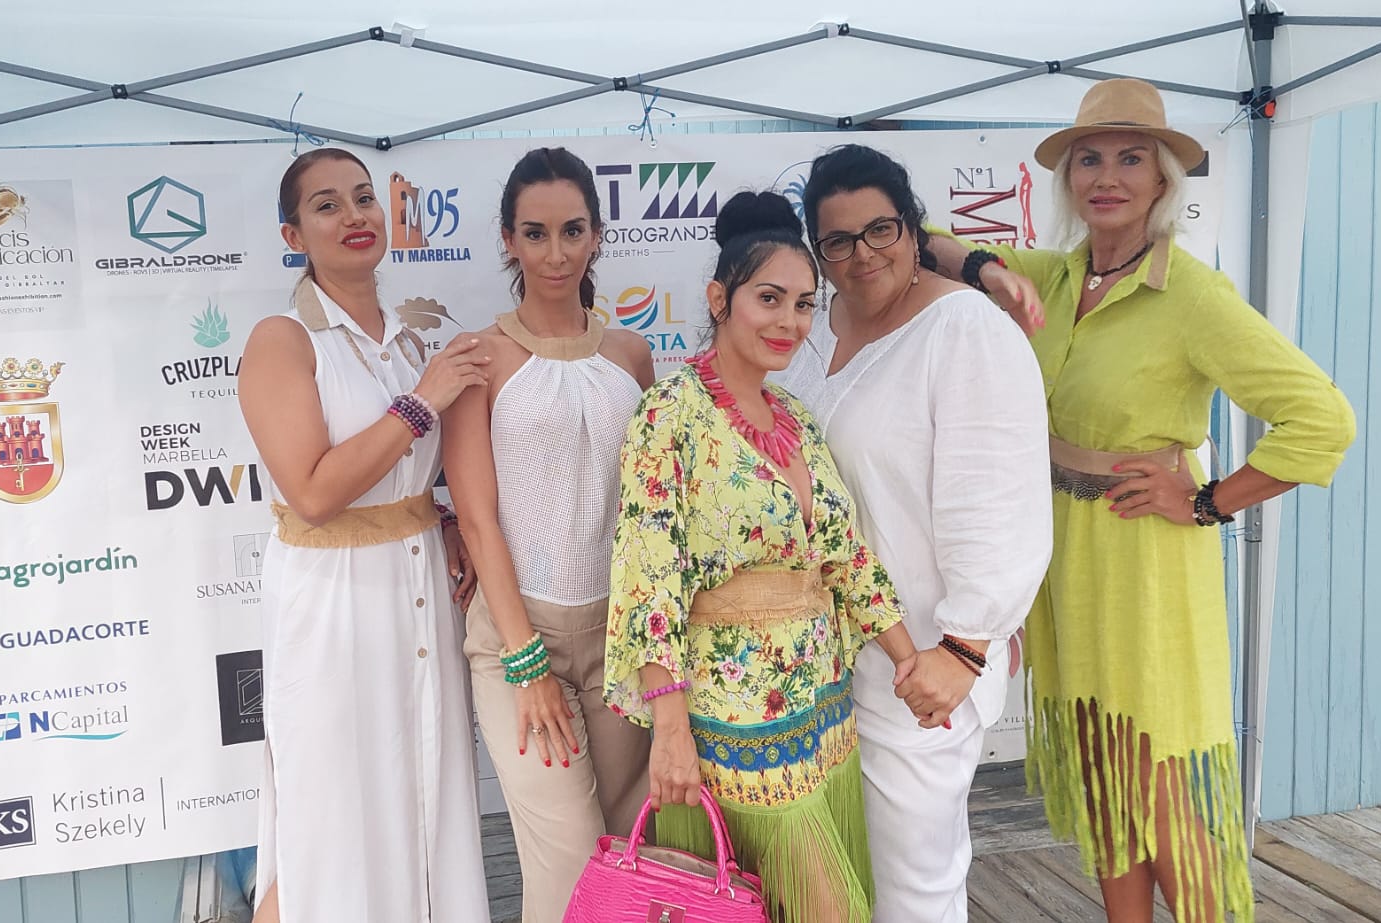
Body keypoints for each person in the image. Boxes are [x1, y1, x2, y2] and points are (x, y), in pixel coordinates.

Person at [921, 78, 1358, 923]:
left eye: (1131, 159)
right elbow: (921, 239)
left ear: (1163, 180)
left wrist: (1207, 501)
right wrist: (985, 267)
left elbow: (1323, 418)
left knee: (1164, 792)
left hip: (1148, 567)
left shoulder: (1190, 293)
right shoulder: (1053, 278)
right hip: (1067, 564)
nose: (1108, 177)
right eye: (1089, 159)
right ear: (1068, 178)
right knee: (1105, 779)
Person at [605, 190, 937, 923]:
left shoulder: (796, 417)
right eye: (769, 298)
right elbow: (647, 578)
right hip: (736, 713)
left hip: (818, 701)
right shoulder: (671, 412)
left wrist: (908, 659)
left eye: (804, 304)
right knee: (822, 907)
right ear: (718, 299)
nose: (790, 321)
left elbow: (843, 555)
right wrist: (670, 731)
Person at [772, 143, 1053, 923]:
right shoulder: (809, 326)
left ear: (912, 227)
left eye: (881, 230)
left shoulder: (965, 330)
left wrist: (964, 645)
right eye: (838, 241)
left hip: (918, 669)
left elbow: (998, 501)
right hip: (813, 668)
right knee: (833, 890)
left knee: (913, 892)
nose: (863, 255)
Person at [236, 147, 495, 923]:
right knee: (328, 806)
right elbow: (314, 492)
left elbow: (402, 481)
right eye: (327, 205)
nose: (354, 216)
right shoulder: (284, 339)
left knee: (423, 788)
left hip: (417, 585)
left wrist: (442, 519)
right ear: (294, 235)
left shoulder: (412, 340)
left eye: (363, 198)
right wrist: (420, 403)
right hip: (330, 601)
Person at [438, 147, 655, 922]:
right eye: (535, 233)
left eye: (572, 231)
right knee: (567, 863)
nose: (556, 253)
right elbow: (477, 517)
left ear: (597, 234)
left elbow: (650, 511)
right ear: (509, 240)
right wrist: (527, 660)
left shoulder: (632, 355)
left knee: (625, 849)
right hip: (516, 638)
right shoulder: (478, 359)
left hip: (619, 641)